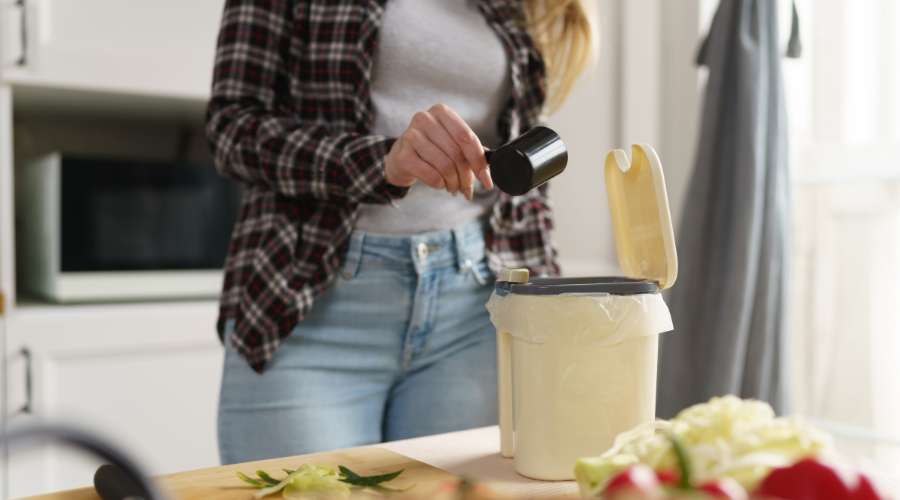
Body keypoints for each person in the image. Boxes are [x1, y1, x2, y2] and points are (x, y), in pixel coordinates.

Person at [207, 0, 594, 464]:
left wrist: (551, 302)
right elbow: (232, 128)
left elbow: (523, 174)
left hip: (474, 310)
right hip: (309, 304)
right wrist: (381, 162)